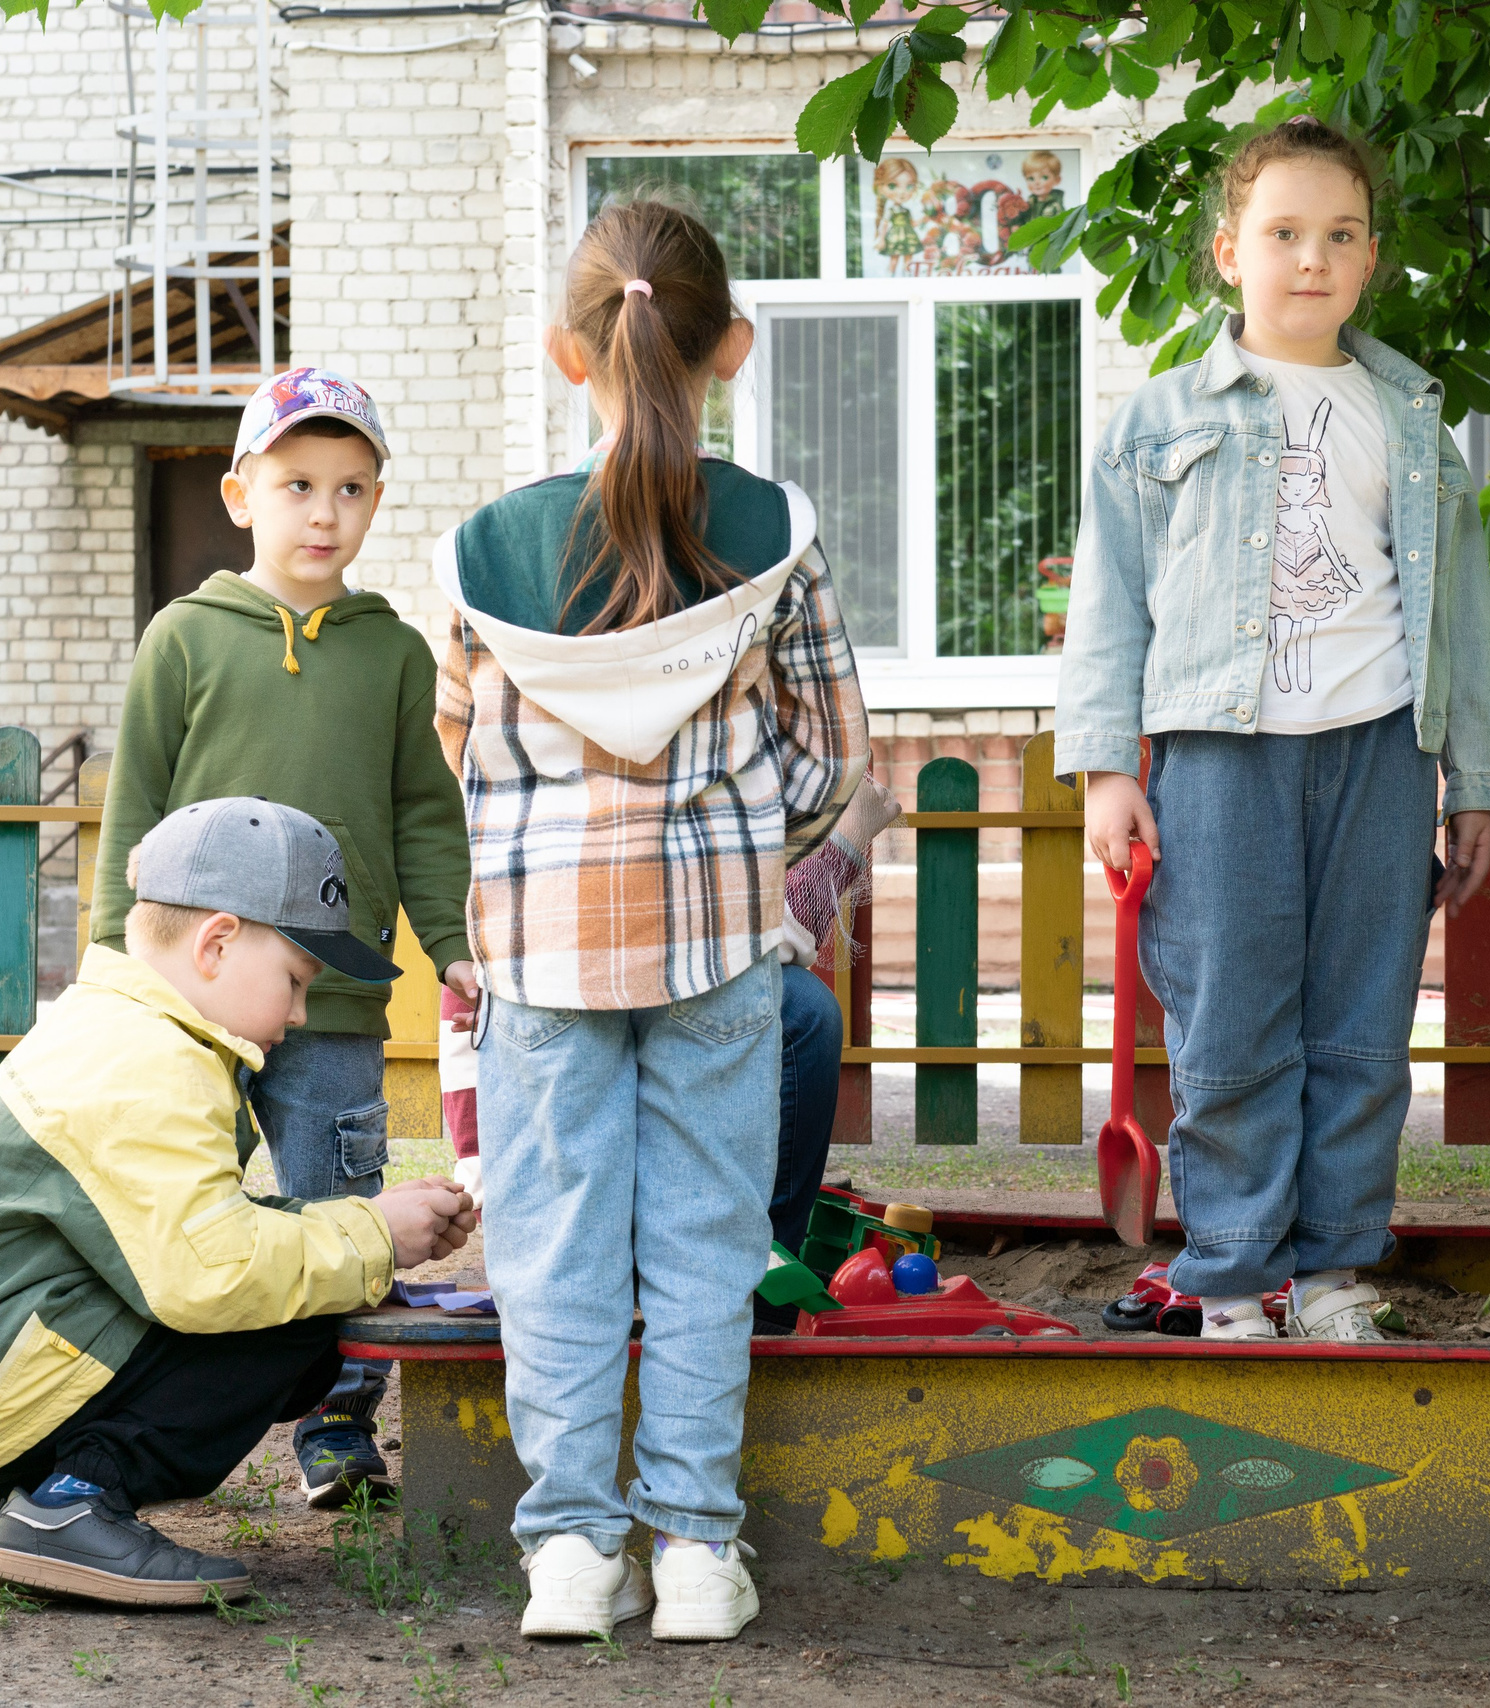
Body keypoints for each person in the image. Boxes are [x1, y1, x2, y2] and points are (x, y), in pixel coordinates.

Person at [434, 199, 868, 1644]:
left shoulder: (485, 553)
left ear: (570, 353)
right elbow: (832, 753)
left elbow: (459, 752)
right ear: (730, 345)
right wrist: (747, 826)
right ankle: (693, 1554)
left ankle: (570, 1553)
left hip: (544, 950)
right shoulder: (774, 538)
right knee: (703, 1242)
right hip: (716, 941)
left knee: (551, 1249)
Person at [1055, 117, 1490, 1342]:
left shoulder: (1413, 423)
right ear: (1229, 252)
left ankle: (1330, 1273)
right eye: (1282, 233)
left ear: (1370, 259)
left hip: (1380, 752)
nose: (1311, 258)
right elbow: (1108, 606)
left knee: (1361, 1026)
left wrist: (1476, 780)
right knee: (1229, 1021)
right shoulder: (1154, 422)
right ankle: (1227, 1275)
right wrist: (1104, 769)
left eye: (1340, 234)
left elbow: (1461, 617)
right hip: (1218, 758)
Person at [0, 801, 477, 1605]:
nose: (299, 1014)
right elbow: (211, 1274)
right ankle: (73, 1496)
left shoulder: (124, 1025)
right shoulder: (153, 1060)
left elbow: (186, 1225)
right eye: (296, 981)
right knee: (294, 1318)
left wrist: (374, 1220)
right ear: (217, 944)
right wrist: (373, 1238)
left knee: (295, 1270)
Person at [89, 367, 476, 1509]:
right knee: (169, 1201)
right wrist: (113, 964)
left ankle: (338, 1424)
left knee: (340, 1207)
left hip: (336, 999)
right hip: (190, 1005)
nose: (324, 512)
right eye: (298, 483)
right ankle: (142, 1411)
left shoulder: (393, 654)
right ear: (240, 494)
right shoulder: (183, 639)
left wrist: (453, 941)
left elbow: (424, 816)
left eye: (351, 488)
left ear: (376, 502)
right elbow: (134, 811)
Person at [434, 773, 902, 1335]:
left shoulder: (713, 792)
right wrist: (480, 1165)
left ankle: (761, 1271)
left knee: (802, 1010)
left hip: (679, 960)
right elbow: (468, 998)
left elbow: (761, 934)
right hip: (572, 981)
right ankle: (602, 1272)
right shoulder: (527, 822)